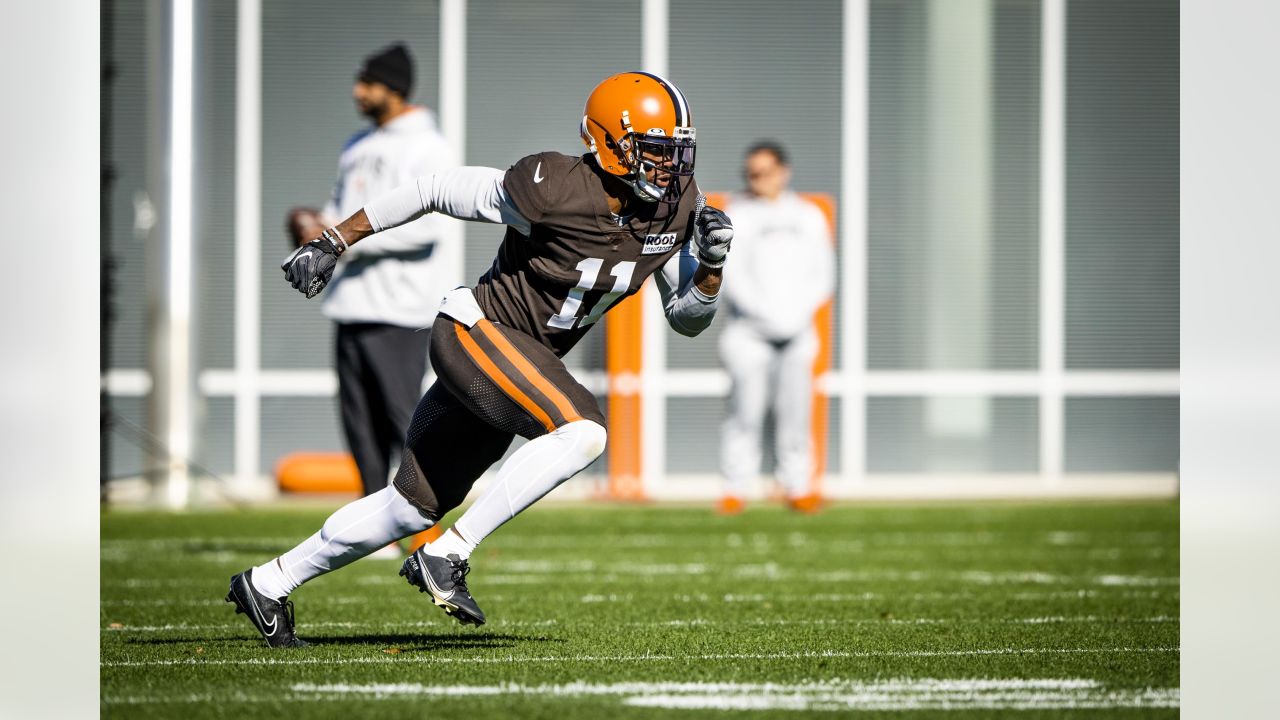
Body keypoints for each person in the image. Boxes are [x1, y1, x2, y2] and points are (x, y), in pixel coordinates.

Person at [226, 72, 733, 648]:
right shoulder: (551, 187)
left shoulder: (675, 209)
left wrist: (712, 268)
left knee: (410, 507)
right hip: (476, 331)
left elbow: (688, 317)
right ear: (606, 143)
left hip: (519, 362)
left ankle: (268, 583)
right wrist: (333, 241)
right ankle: (448, 553)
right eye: (653, 152)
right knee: (584, 431)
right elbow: (433, 190)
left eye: (675, 152)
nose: (668, 168)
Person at [286, 43, 458, 503]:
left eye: (368, 83)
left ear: (394, 89)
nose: (357, 91)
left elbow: (430, 229)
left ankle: (422, 519)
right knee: (359, 425)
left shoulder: (429, 148)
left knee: (404, 420)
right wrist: (315, 228)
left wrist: (344, 241)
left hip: (400, 309)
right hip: (349, 305)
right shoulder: (356, 145)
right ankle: (368, 527)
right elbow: (338, 212)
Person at [717, 141, 834, 516]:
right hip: (748, 331)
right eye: (751, 174)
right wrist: (763, 313)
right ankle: (735, 487)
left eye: (764, 172)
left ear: (784, 171)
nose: (757, 180)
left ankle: (798, 485)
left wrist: (796, 315)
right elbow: (731, 275)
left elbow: (824, 274)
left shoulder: (808, 216)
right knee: (744, 411)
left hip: (798, 330)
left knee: (795, 413)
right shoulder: (737, 214)